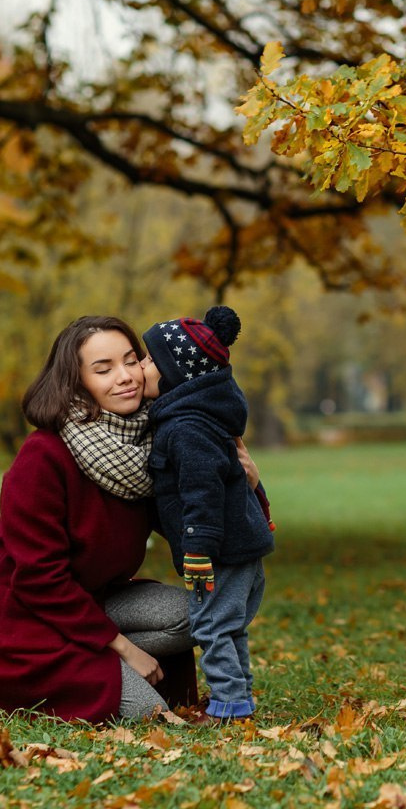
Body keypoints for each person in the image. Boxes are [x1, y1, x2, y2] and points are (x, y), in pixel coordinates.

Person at [0, 315, 256, 723]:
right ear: (76, 381)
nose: (125, 377)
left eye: (131, 360)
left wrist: (246, 483)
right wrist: (121, 647)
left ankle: (95, 657)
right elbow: (38, 579)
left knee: (203, 613)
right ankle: (96, 664)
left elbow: (194, 517)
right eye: (103, 369)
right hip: (19, 619)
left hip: (91, 601)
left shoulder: (156, 443)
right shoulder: (44, 456)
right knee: (147, 712)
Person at [140, 306, 275, 723]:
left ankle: (230, 706)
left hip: (221, 553)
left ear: (172, 373)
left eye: (147, 360)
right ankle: (240, 697)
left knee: (212, 627)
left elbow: (203, 491)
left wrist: (197, 548)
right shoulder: (203, 418)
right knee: (230, 627)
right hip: (240, 547)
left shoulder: (186, 428)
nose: (139, 368)